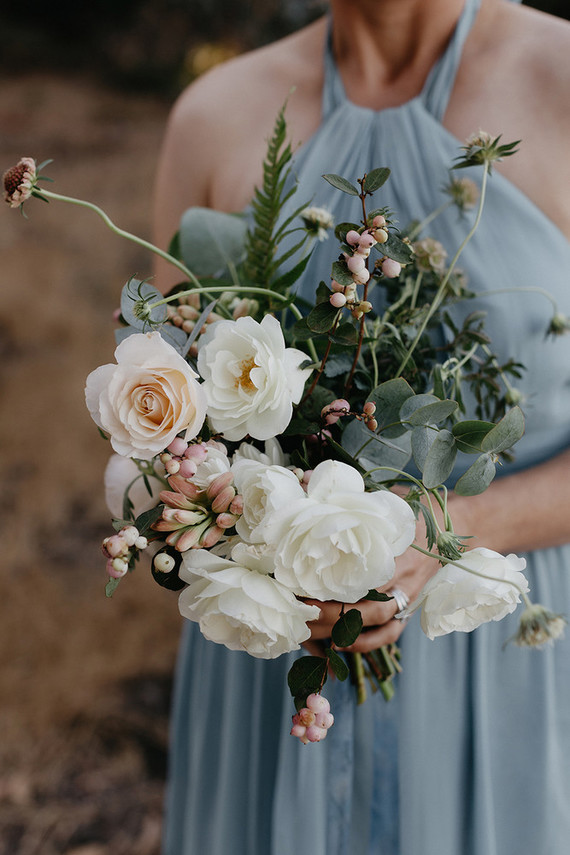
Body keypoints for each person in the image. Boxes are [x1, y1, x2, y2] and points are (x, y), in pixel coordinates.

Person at [153, 1, 570, 852]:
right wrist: (239, 529)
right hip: (275, 668)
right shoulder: (215, 113)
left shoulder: (560, 78)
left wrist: (451, 528)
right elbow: (152, 427)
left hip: (512, 652)